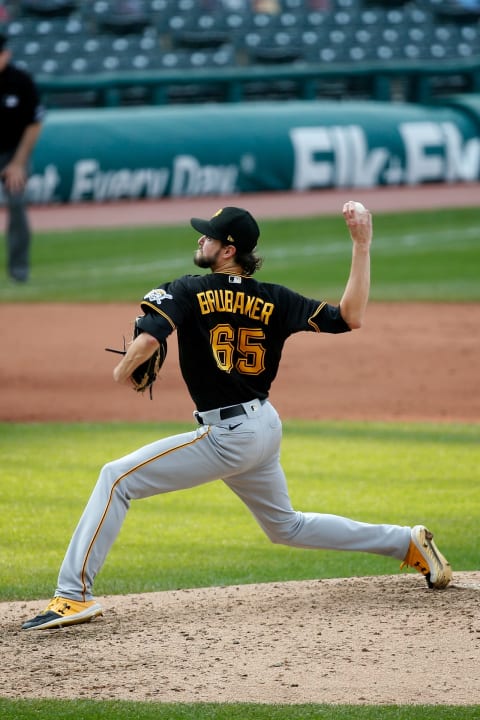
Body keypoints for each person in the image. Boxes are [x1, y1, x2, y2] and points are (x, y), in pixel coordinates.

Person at [22, 202, 452, 630]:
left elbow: (150, 339)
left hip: (228, 436)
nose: (200, 239)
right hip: (263, 426)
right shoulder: (276, 298)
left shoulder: (188, 289)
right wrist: (362, 245)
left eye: (207, 236)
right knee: (286, 527)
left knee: (116, 478)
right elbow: (350, 317)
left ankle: (73, 596)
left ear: (228, 250)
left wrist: (121, 372)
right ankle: (405, 542)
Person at [0, 32, 44, 283]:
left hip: (12, 153)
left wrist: (17, 163)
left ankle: (18, 269)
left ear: (6, 54)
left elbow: (34, 123)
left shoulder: (20, 81)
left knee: (16, 204)